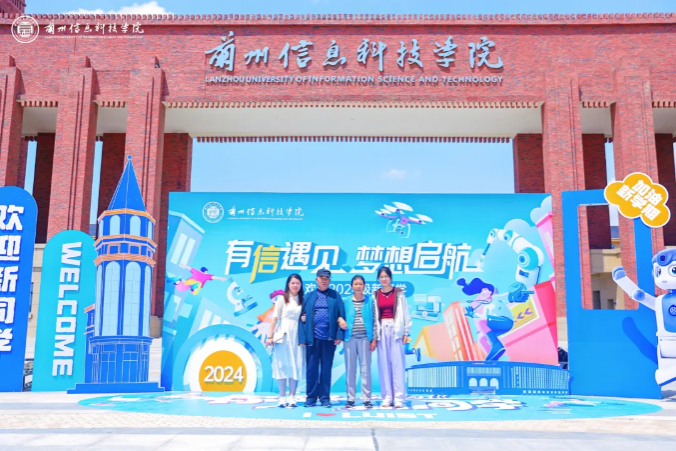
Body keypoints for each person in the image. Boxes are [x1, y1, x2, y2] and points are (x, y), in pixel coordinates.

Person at [298, 269, 345, 408]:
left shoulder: (335, 296)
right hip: (312, 339)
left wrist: (339, 335)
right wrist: (302, 338)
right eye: (321, 278)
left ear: (329, 281)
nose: (324, 281)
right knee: (311, 369)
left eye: (326, 278)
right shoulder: (309, 297)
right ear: (316, 280)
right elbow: (301, 319)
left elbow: (341, 316)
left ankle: (325, 398)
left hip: (329, 339)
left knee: (326, 369)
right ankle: (311, 398)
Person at [374, 266, 411, 408]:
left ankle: (399, 398)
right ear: (378, 279)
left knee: (397, 364)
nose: (384, 279)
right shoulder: (376, 295)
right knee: (384, 364)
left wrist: (406, 332)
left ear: (391, 278)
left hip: (396, 329)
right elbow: (374, 316)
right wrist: (374, 335)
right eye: (381, 277)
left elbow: (405, 313)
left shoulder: (399, 293)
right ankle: (387, 397)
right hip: (381, 329)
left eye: (386, 276)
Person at [266, 274, 304, 407]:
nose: (295, 285)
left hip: (297, 336)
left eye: (297, 283)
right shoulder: (282, 299)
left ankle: (292, 396)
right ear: (288, 284)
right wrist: (270, 336)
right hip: (283, 335)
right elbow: (275, 318)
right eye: (293, 283)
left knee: (295, 364)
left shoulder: (303, 299)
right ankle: (282, 396)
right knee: (282, 365)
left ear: (301, 285)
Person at [341, 275, 377, 408]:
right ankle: (350, 398)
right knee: (350, 369)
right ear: (351, 286)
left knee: (365, 369)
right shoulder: (346, 301)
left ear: (364, 286)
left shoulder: (370, 301)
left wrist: (374, 339)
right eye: (355, 284)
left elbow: (375, 320)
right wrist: (340, 320)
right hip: (349, 339)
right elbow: (339, 316)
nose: (358, 286)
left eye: (360, 284)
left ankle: (366, 399)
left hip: (365, 339)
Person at [459, 278, 514, 361]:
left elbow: (507, 296)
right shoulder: (487, 306)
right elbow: (483, 318)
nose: (483, 294)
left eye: (485, 291)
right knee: (482, 338)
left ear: (489, 290)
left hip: (506, 321)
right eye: (482, 294)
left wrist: (515, 296)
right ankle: (495, 357)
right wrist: (472, 314)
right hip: (499, 325)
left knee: (481, 322)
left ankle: (496, 345)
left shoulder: (496, 298)